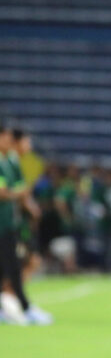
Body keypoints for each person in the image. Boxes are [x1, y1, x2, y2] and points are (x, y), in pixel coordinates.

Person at [0, 126, 49, 325]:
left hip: (11, 222)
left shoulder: (11, 160)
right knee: (13, 266)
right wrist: (19, 195)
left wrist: (30, 206)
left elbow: (20, 189)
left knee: (12, 266)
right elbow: (5, 192)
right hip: (3, 222)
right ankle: (24, 306)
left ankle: (11, 306)